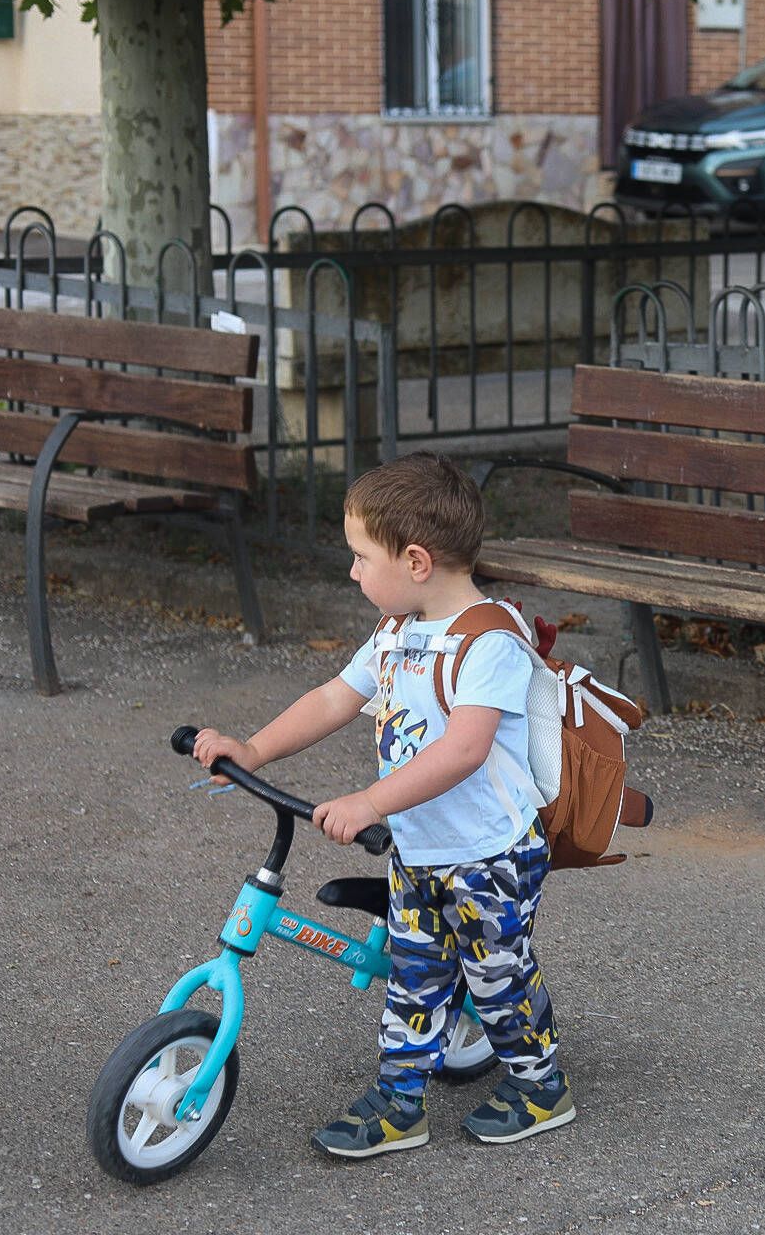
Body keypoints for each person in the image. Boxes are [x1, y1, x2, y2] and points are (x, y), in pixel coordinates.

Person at [192, 453, 570, 1158]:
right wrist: (255, 749)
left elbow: (463, 750)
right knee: (413, 980)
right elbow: (336, 697)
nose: (354, 572)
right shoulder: (397, 631)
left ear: (417, 560)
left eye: (362, 558)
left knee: (498, 978)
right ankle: (399, 1105)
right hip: (421, 849)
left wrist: (369, 801)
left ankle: (538, 1085)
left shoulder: (489, 641)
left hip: (488, 856)